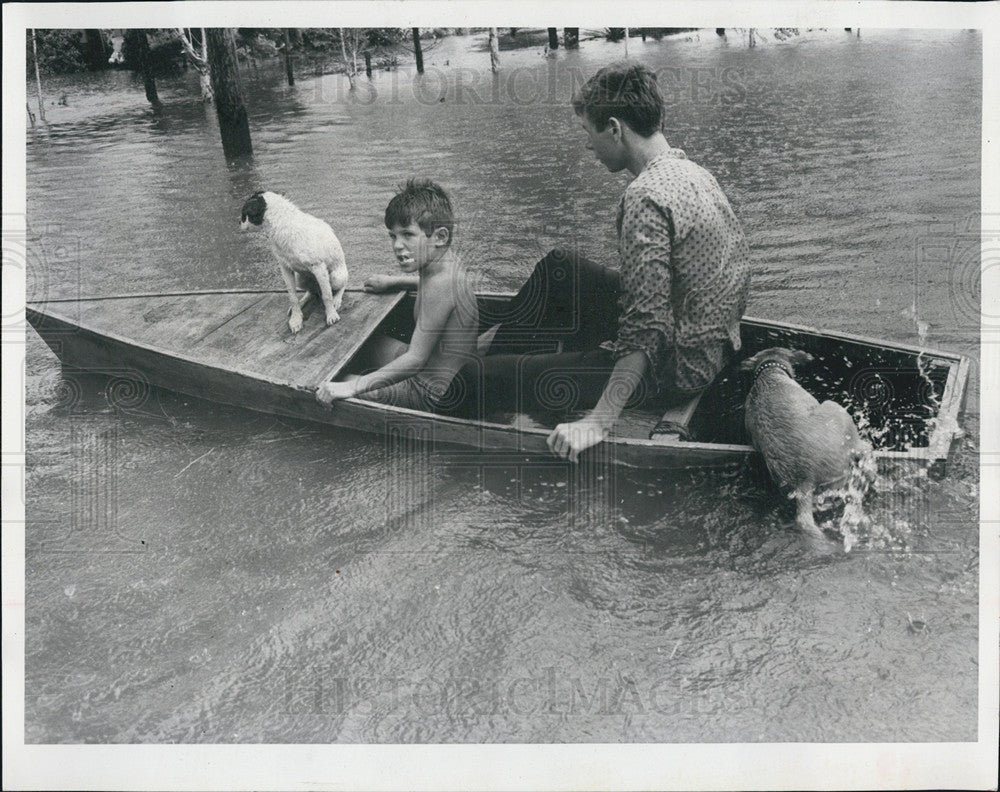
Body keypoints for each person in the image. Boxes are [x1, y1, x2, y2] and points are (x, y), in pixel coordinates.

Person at [460, 62, 751, 461]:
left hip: (672, 370)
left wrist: (598, 421)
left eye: (588, 133)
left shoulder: (644, 196)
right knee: (558, 267)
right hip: (710, 343)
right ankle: (505, 364)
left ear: (614, 129)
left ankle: (479, 379)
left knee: (477, 379)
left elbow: (645, 329)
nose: (588, 146)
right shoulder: (693, 171)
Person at [315, 178, 478, 412]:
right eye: (393, 236)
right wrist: (394, 281)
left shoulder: (441, 284)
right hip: (440, 371)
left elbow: (415, 360)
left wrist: (351, 388)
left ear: (440, 237)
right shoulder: (442, 264)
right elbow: (431, 286)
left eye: (408, 235)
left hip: (430, 394)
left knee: (328, 385)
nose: (397, 246)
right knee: (367, 344)